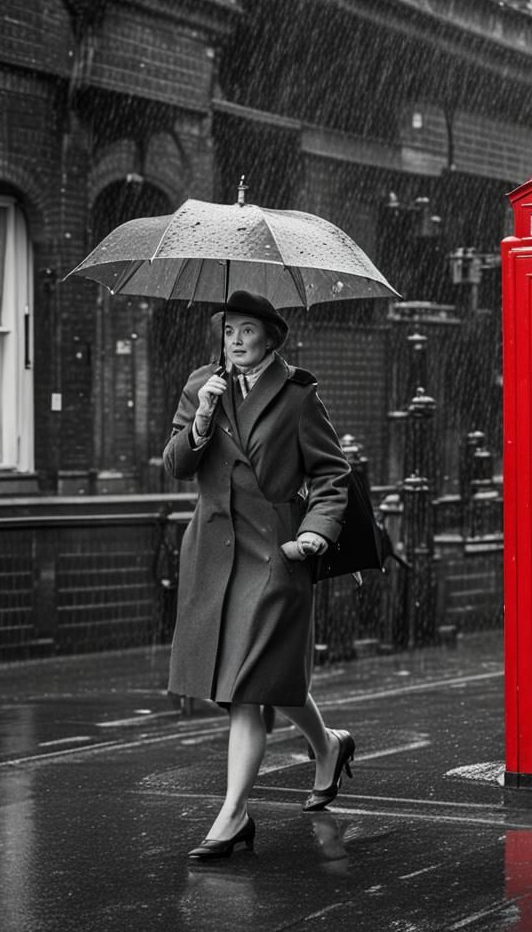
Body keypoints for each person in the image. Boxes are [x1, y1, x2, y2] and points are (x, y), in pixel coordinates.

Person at [163, 289, 355, 861]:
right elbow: (175, 465)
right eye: (228, 332)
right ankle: (329, 746)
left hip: (276, 553)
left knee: (249, 686)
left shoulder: (298, 396)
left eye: (248, 331)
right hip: (215, 555)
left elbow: (331, 473)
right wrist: (199, 421)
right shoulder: (204, 384)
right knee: (266, 678)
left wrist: (318, 531)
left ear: (272, 338)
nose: (236, 341)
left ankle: (233, 815)